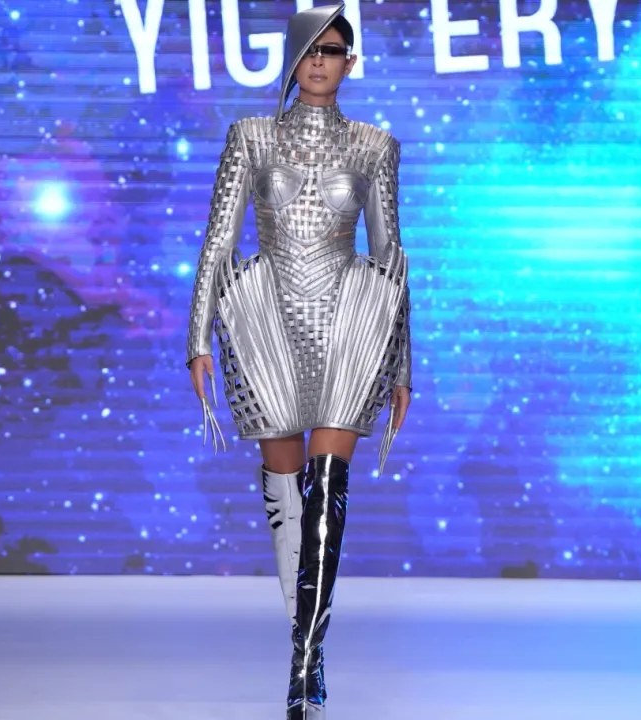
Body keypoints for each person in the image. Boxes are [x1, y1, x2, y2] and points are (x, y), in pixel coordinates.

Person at [184, 4, 413, 718]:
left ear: (351, 62)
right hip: (265, 320)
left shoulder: (375, 145)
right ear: (293, 58)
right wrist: (196, 338)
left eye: (333, 49)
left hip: (350, 320)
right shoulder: (252, 136)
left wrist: (403, 364)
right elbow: (218, 240)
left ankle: (305, 665)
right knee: (286, 498)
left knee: (329, 485)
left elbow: (391, 255)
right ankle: (304, 647)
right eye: (311, 49)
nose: (320, 61)